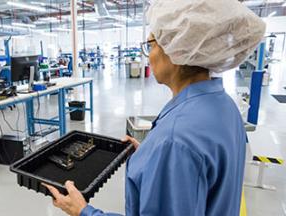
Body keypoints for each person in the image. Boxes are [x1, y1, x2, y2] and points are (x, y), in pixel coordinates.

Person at [43, 0, 266, 215]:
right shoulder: (223, 105)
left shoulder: (174, 140)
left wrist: (84, 211)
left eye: (151, 44)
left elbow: (179, 150)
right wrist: (150, 156)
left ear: (176, 51)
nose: (148, 56)